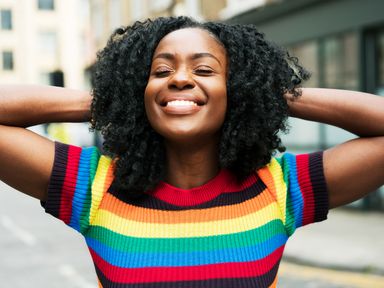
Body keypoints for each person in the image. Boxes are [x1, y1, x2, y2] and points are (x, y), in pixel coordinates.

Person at [0, 16, 383, 288]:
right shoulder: (94, 186)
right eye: (161, 72)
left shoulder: (281, 187)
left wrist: (269, 95)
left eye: (204, 70)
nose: (180, 78)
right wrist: (113, 102)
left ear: (236, 89)